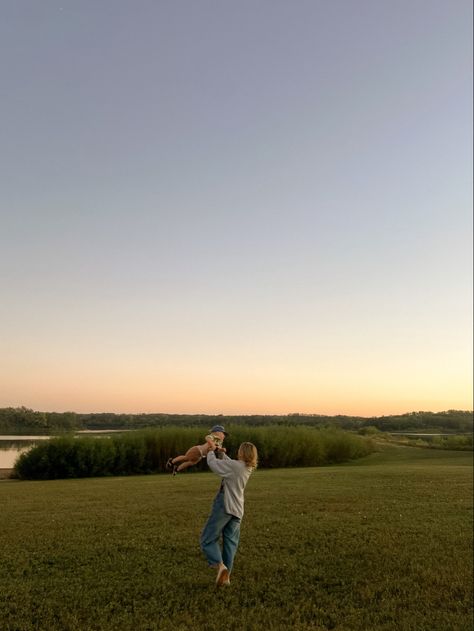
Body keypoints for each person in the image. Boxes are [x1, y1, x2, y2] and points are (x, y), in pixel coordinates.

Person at [200, 441, 258, 587]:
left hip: (225, 505)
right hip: (238, 510)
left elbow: (214, 465)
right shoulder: (246, 467)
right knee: (230, 544)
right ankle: (225, 579)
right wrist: (221, 453)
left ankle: (220, 566)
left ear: (242, 452)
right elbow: (230, 463)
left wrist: (211, 452)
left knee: (207, 539)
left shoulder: (235, 466)